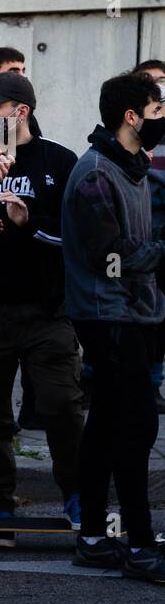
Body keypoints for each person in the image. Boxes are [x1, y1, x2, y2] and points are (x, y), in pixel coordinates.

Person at [0, 73, 83, 544]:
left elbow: (75, 235)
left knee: (62, 407)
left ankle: (76, 497)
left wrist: (28, 223)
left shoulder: (59, 160)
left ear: (21, 111)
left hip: (46, 311)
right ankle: (0, 508)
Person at [62, 71, 165, 582]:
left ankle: (94, 538)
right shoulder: (97, 174)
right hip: (107, 315)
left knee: (106, 423)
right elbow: (110, 259)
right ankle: (141, 546)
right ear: (132, 117)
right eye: (157, 109)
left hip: (134, 313)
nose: (162, 117)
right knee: (136, 425)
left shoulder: (134, 168)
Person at [131, 59, 165, 412]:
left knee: (159, 319)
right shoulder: (128, 134)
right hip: (135, 241)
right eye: (151, 83)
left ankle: (153, 383)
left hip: (160, 240)